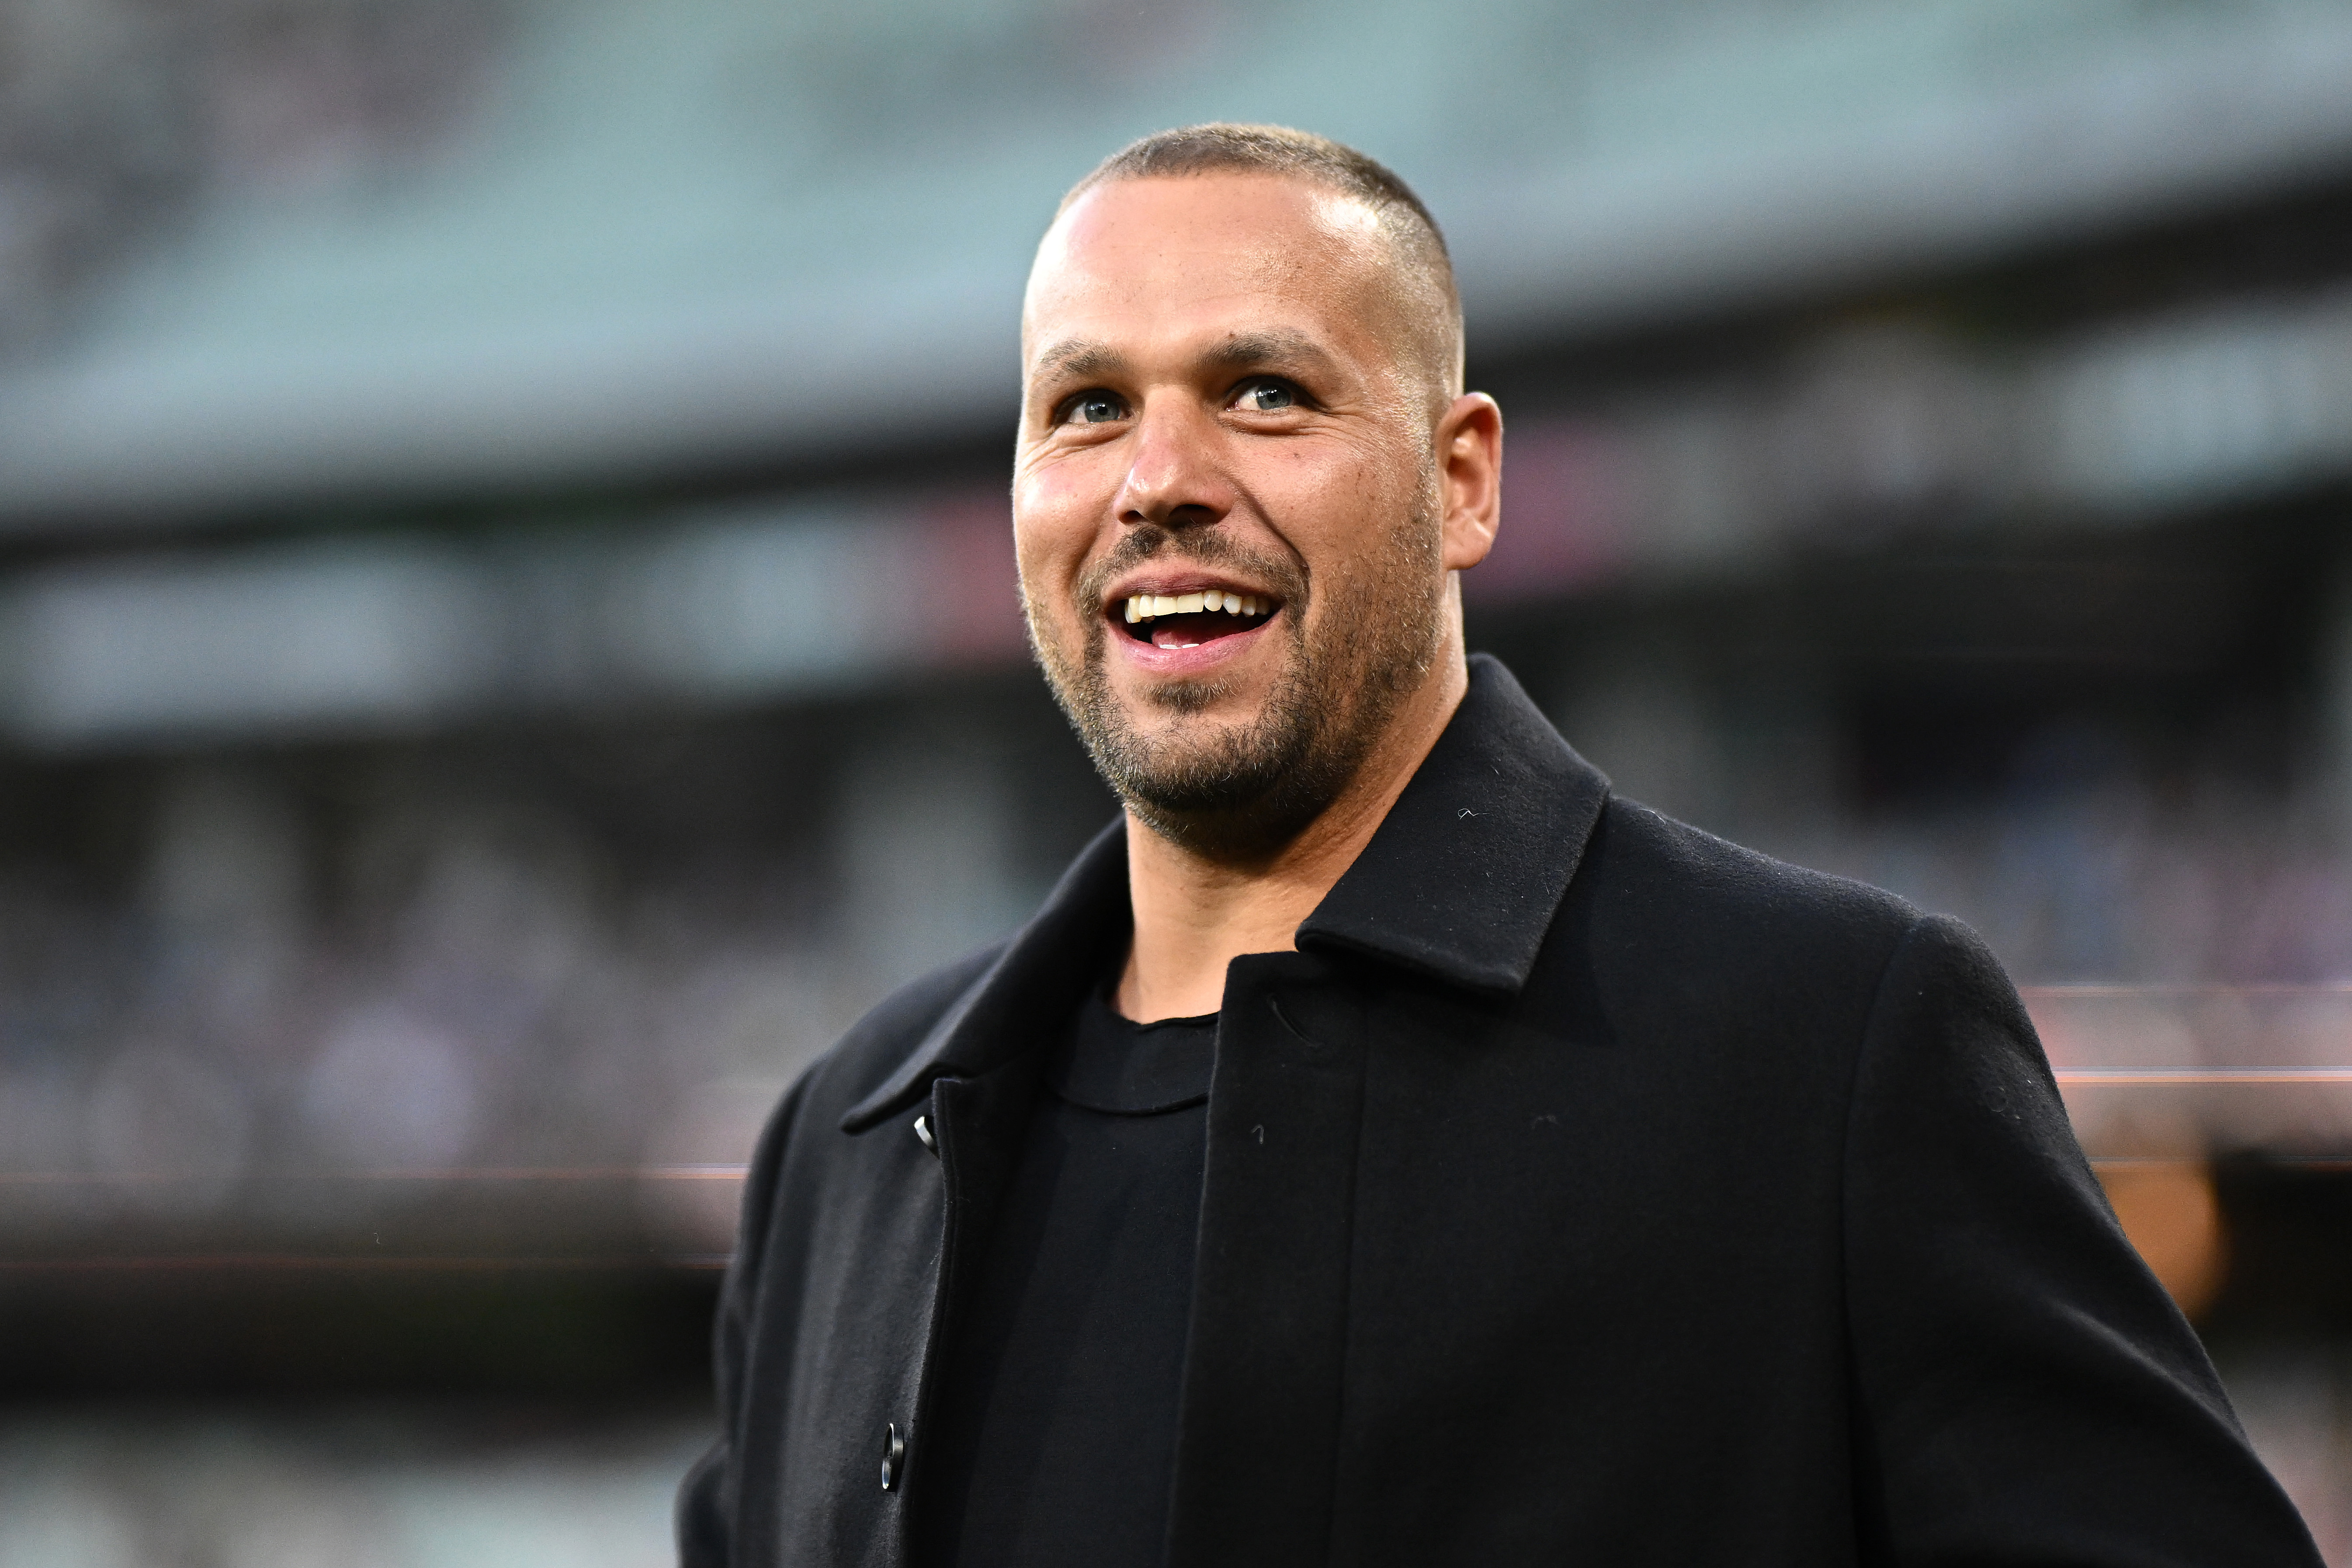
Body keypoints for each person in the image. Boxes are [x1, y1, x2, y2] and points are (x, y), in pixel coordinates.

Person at [676, 124, 2320, 1568]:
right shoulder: (849, 1145)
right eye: (1088, 406)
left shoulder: (1829, 1047)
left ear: (1464, 479)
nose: (1160, 481)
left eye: (1264, 392)